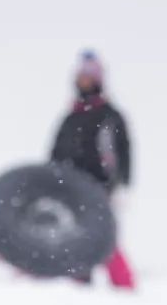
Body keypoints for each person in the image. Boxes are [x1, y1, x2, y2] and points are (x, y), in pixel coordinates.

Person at [50, 50, 135, 289]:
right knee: (76, 235)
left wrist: (122, 184)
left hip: (101, 187)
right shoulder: (71, 117)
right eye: (81, 78)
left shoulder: (110, 116)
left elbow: (124, 152)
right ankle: (80, 283)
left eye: (89, 78)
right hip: (71, 187)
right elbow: (56, 152)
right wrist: (50, 181)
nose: (84, 83)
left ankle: (124, 286)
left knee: (104, 238)